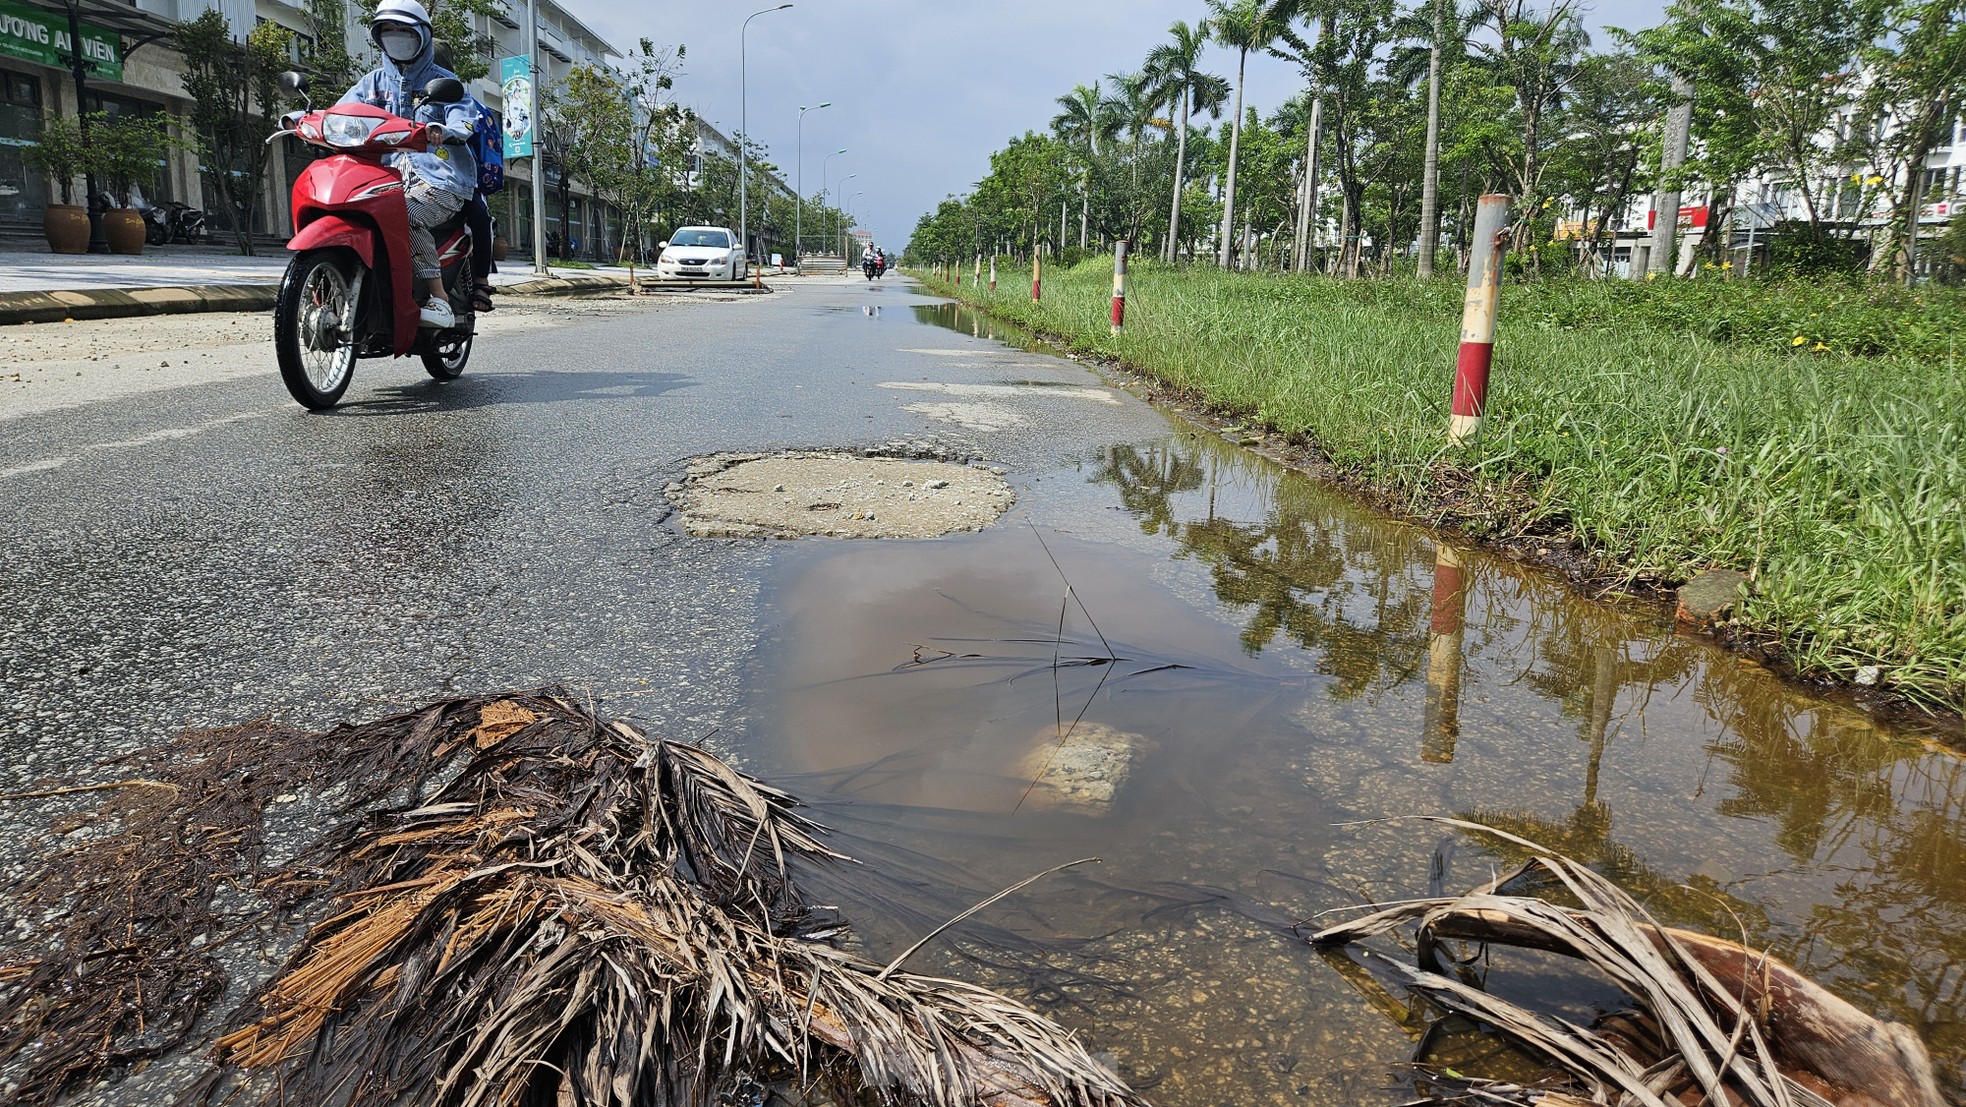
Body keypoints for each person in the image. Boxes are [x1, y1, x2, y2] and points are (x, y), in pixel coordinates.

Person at [338, 0, 480, 329]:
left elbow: (464, 119)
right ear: (378, 36)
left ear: (423, 36)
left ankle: (438, 298)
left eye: (404, 31)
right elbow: (340, 112)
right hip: (384, 178)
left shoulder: (445, 82)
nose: (396, 37)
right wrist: (305, 119)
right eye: (388, 31)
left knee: (405, 215)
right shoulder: (370, 84)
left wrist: (446, 131)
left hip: (440, 180)